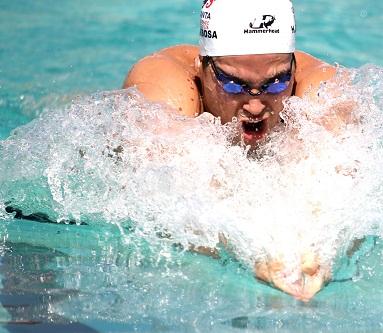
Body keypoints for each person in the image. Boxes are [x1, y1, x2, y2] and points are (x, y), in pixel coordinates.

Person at [123, 0, 351, 301]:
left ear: (294, 68)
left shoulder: (322, 89)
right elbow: (170, 197)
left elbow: (343, 184)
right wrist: (252, 248)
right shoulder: (167, 86)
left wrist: (323, 248)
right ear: (200, 69)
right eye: (233, 85)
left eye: (275, 83)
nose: (255, 106)